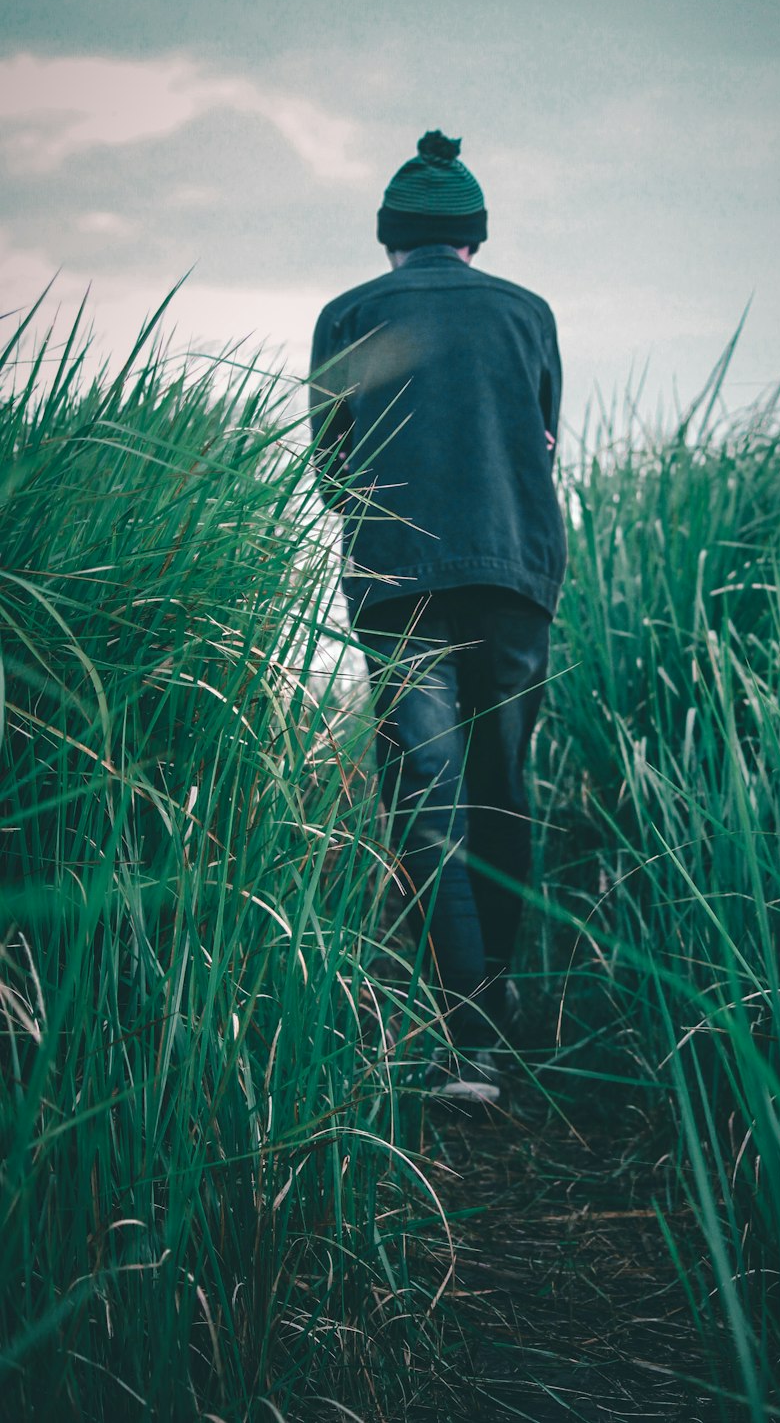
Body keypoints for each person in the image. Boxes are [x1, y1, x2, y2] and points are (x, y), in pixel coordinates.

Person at [309, 130, 565, 1099]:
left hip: (399, 583)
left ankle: (471, 1045)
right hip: (512, 579)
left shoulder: (348, 314)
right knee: (500, 786)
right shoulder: (527, 314)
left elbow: (332, 477)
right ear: (473, 238)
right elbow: (541, 445)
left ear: (392, 238)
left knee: (425, 793)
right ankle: (496, 1003)